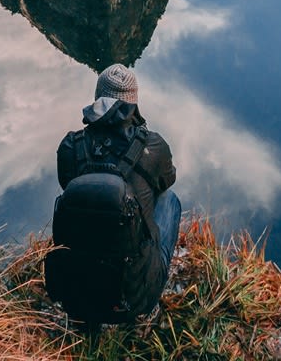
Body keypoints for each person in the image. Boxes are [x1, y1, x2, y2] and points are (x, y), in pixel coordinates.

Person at [46, 63, 180, 325]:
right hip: (134, 299)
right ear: (134, 102)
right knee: (169, 200)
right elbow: (167, 180)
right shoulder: (153, 146)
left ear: (97, 98)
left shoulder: (70, 146)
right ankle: (147, 306)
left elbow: (67, 183)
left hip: (74, 295)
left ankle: (87, 317)